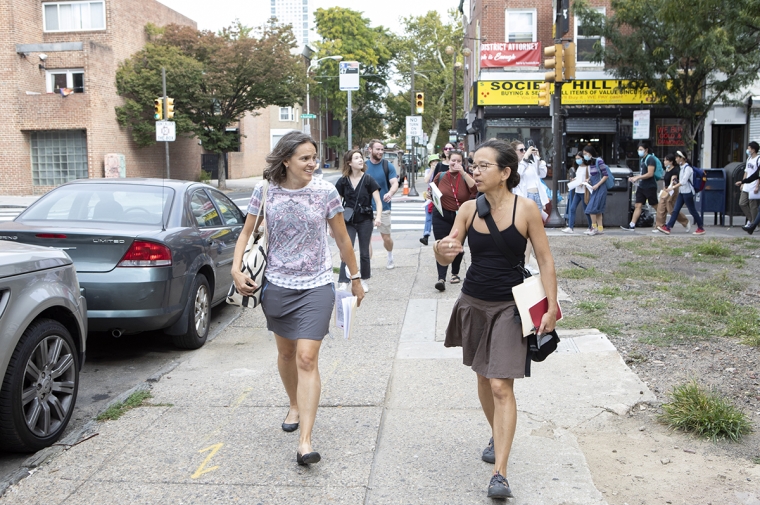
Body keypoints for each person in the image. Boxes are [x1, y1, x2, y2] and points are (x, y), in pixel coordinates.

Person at [231, 131, 365, 467]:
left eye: (314, 157)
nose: (312, 163)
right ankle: (293, 402)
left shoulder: (324, 191)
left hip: (317, 285)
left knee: (307, 357)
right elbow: (247, 232)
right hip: (277, 285)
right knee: (286, 352)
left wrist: (356, 277)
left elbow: (342, 237)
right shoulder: (265, 191)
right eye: (305, 158)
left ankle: (305, 442)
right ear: (286, 160)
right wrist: (235, 270)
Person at [436, 138, 557, 499]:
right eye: (474, 163)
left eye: (483, 165)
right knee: (484, 377)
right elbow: (446, 255)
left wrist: (550, 307)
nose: (475, 169)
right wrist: (440, 252)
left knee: (502, 384)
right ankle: (497, 431)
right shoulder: (469, 209)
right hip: (474, 302)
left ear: (505, 172)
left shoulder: (527, 210)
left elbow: (545, 260)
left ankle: (500, 472)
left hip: (510, 306)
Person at [335, 149, 383, 292]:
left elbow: (378, 202)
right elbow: (336, 205)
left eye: (361, 157)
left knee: (364, 252)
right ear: (349, 162)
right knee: (346, 249)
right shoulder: (343, 181)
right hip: (348, 220)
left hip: (365, 220)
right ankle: (343, 280)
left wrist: (378, 217)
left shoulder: (368, 180)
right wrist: (332, 226)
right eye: (356, 158)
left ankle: (364, 280)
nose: (360, 160)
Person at [430, 149, 478, 291]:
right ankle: (441, 278)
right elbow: (433, 190)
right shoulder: (441, 175)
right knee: (442, 245)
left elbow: (475, 188)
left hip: (460, 215)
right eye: (453, 160)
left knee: (457, 245)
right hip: (441, 214)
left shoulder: (465, 176)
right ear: (448, 160)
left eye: (458, 161)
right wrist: (430, 196)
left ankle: (455, 273)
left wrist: (463, 172)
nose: (455, 163)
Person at [364, 139, 399, 269]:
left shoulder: (387, 166)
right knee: (366, 239)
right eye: (377, 149)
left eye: (382, 149)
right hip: (366, 208)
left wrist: (390, 193)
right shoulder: (364, 166)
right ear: (370, 150)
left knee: (386, 238)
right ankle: (367, 266)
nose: (380, 152)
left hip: (383, 207)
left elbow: (394, 183)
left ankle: (390, 255)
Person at [657, 150, 706, 235]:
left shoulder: (688, 168)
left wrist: (673, 187)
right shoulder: (682, 167)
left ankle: (701, 227)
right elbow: (681, 181)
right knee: (675, 210)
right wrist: (675, 182)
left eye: (677, 157)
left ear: (682, 158)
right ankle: (668, 227)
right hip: (682, 192)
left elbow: (683, 182)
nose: (676, 159)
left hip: (688, 193)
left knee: (692, 210)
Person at [621, 141, 659, 231]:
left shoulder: (650, 159)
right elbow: (643, 173)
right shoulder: (643, 160)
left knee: (656, 206)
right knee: (638, 205)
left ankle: (661, 223)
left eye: (641, 149)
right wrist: (635, 178)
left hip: (650, 186)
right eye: (638, 149)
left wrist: (638, 177)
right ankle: (632, 224)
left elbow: (650, 173)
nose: (639, 151)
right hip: (642, 186)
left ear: (646, 150)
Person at [653, 153, 690, 233]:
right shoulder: (667, 169)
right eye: (664, 160)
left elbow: (673, 181)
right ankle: (660, 226)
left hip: (672, 191)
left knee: (671, 209)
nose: (664, 162)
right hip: (666, 190)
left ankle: (685, 222)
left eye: (666, 160)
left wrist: (670, 188)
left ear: (671, 162)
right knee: (661, 208)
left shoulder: (675, 170)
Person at [512, 140, 548, 212]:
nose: (524, 152)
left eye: (525, 149)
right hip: (525, 196)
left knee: (538, 220)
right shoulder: (513, 165)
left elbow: (543, 174)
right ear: (514, 152)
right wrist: (525, 158)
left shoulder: (530, 163)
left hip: (538, 195)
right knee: (526, 220)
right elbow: (518, 174)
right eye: (521, 150)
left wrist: (537, 158)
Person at [561, 153, 591, 234]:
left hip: (584, 191)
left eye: (579, 158)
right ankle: (570, 227)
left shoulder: (588, 168)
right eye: (576, 158)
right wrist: (574, 180)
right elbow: (578, 177)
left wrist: (584, 182)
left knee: (586, 210)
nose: (577, 160)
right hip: (577, 191)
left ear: (583, 158)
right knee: (572, 208)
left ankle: (591, 226)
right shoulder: (578, 168)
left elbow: (589, 178)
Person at [582, 145, 609, 235]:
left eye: (586, 153)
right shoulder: (592, 163)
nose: (585, 156)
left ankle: (593, 228)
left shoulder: (599, 161)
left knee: (591, 209)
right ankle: (600, 229)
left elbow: (605, 175)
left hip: (599, 188)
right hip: (595, 188)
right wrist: (588, 179)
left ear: (591, 153)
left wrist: (597, 185)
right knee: (598, 210)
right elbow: (594, 174)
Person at [736, 141, 759, 226]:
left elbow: (758, 175)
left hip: (753, 185)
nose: (748, 149)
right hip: (747, 185)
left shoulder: (758, 159)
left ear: (753, 149)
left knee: (753, 206)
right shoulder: (749, 158)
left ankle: (754, 223)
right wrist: (742, 183)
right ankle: (751, 220)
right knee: (742, 203)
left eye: (749, 148)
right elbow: (746, 172)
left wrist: (757, 185)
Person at [420, 154, 440, 245]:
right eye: (433, 161)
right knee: (428, 215)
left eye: (436, 161)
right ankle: (426, 235)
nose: (435, 163)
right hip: (429, 195)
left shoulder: (441, 170)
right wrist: (432, 170)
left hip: (440, 195)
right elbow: (426, 181)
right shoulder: (428, 171)